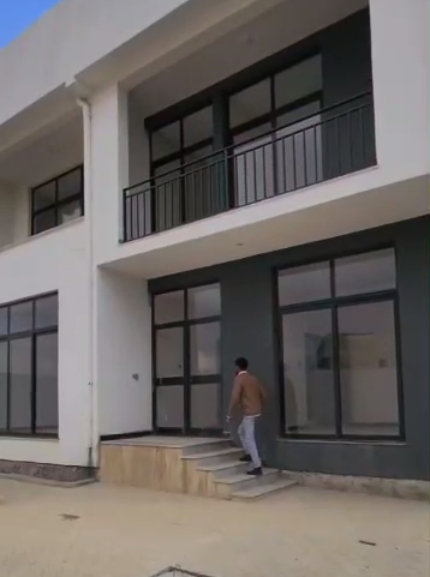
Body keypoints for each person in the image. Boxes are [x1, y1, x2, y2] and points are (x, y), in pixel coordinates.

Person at [226, 357, 266, 476]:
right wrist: (258, 405)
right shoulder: (253, 378)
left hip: (249, 413)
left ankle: (257, 465)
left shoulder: (239, 379)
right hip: (256, 411)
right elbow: (264, 394)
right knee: (241, 431)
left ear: (237, 367)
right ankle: (248, 453)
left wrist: (230, 414)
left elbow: (234, 397)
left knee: (249, 439)